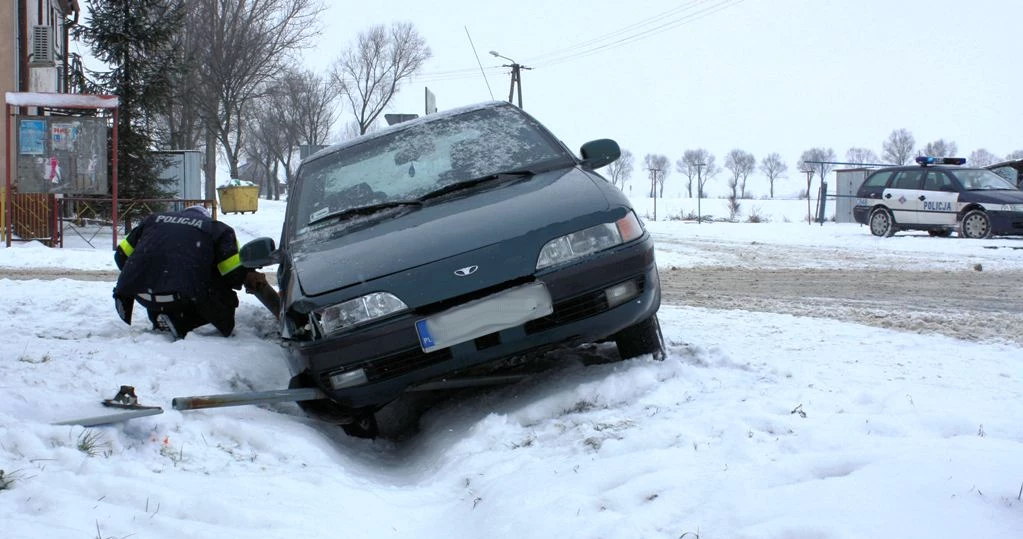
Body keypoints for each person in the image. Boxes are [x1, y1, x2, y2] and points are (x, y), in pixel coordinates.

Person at [112, 205, 273, 340]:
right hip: (182, 297)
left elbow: (121, 257)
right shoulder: (217, 229)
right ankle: (184, 322)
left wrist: (148, 275)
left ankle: (161, 315)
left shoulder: (153, 220)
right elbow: (232, 274)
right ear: (205, 216)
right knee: (226, 298)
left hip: (142, 295)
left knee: (165, 284)